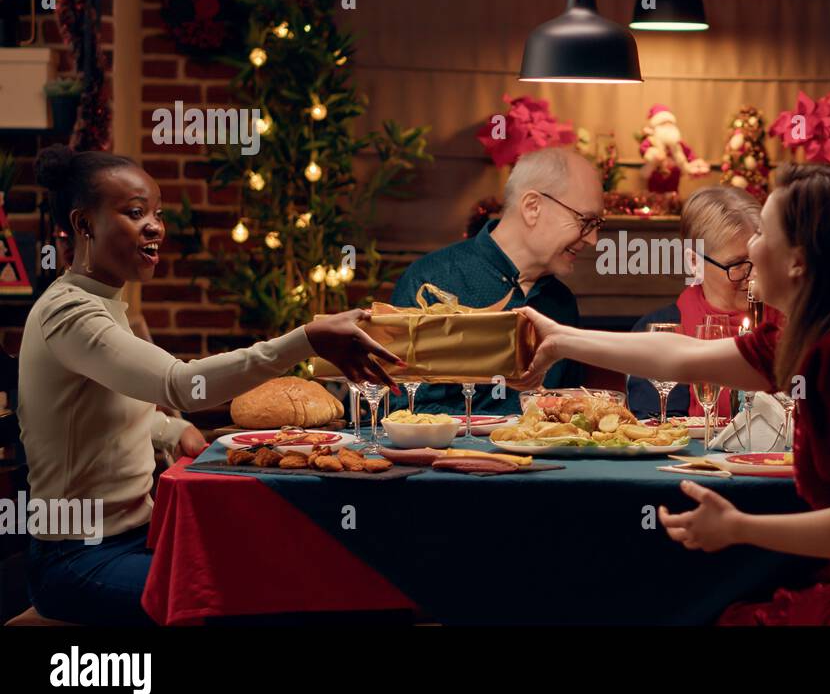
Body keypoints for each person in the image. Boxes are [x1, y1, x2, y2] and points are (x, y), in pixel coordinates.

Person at [514, 164, 830, 625]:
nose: (752, 246)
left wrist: (737, 526)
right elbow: (679, 356)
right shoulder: (822, 333)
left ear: (798, 262)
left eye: (763, 234)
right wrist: (560, 338)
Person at [19, 145, 401, 626]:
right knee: (269, 599)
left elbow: (96, 407)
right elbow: (181, 385)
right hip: (76, 561)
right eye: (135, 213)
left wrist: (167, 432)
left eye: (156, 213)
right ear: (84, 224)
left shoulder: (104, 304)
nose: (155, 226)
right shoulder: (69, 313)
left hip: (138, 536)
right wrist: (305, 339)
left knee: (303, 571)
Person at [392, 148, 601, 415]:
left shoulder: (562, 302)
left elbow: (569, 409)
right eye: (585, 221)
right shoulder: (432, 282)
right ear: (532, 207)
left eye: (598, 224)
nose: (593, 239)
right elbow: (406, 411)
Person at [627, 186, 761, 420]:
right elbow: (658, 430)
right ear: (694, 262)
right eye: (738, 264)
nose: (755, 275)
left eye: (761, 258)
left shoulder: (791, 324)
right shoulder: (661, 328)